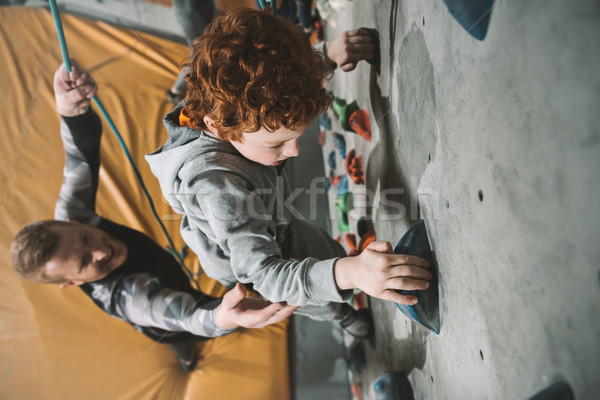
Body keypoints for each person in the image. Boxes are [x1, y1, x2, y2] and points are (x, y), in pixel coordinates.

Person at [146, 7, 432, 337]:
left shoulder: (232, 110)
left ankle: (343, 291)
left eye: (297, 136)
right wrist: (351, 273)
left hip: (275, 218)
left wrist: (324, 55)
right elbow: (265, 274)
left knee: (330, 255)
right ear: (220, 130)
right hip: (247, 261)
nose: (294, 151)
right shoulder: (215, 185)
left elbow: (273, 71)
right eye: (277, 144)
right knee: (314, 299)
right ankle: (342, 318)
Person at [10, 60, 297, 372]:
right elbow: (188, 316)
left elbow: (81, 154)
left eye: (84, 238)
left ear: (72, 223)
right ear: (72, 282)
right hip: (167, 319)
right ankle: (185, 356)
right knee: (177, 333)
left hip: (157, 267)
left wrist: (71, 110)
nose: (100, 250)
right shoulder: (125, 296)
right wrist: (225, 317)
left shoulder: (71, 216)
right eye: (84, 263)